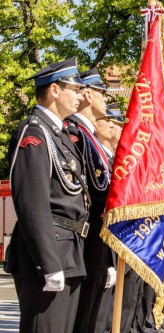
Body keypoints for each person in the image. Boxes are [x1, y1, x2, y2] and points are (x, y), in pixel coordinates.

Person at [6, 57, 88, 333]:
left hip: (70, 249)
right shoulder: (35, 132)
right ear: (54, 90)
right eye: (73, 89)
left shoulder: (60, 135)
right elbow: (32, 201)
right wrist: (48, 262)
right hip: (49, 251)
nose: (79, 96)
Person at [68, 67, 118, 333]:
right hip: (87, 237)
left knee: (91, 314)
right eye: (102, 93)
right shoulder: (76, 135)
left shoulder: (88, 139)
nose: (105, 100)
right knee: (83, 318)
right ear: (87, 94)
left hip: (98, 238)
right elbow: (94, 191)